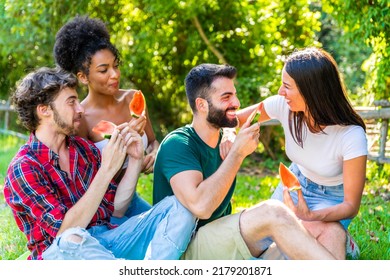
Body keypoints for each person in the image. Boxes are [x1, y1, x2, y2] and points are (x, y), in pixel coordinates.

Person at [3, 67, 196, 260]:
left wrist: (136, 159)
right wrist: (107, 170)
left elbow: (117, 210)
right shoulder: (24, 168)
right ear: (44, 110)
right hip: (65, 256)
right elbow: (64, 231)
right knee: (71, 240)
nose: (80, 109)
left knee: (181, 207)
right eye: (71, 102)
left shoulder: (84, 149)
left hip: (108, 241)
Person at [153, 63, 336, 260]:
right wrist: (237, 154)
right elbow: (201, 207)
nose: (237, 102)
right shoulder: (179, 144)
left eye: (234, 94)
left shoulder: (224, 138)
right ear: (202, 105)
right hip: (186, 249)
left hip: (223, 244)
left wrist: (231, 137)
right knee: (273, 212)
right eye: (226, 97)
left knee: (331, 231)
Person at [236, 47, 368, 259]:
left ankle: (344, 242)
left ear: (311, 91)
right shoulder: (283, 106)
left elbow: (351, 205)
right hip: (296, 181)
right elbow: (237, 119)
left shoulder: (351, 136)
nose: (280, 91)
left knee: (296, 248)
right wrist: (226, 134)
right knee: (256, 241)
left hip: (332, 197)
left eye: (286, 86)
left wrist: (311, 215)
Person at [53, 15, 156, 219]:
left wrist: (153, 155)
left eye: (115, 66)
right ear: (83, 77)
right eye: (103, 70)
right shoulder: (80, 119)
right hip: (103, 209)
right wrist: (129, 149)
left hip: (132, 200)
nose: (115, 75)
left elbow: (153, 141)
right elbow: (91, 182)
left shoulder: (132, 98)